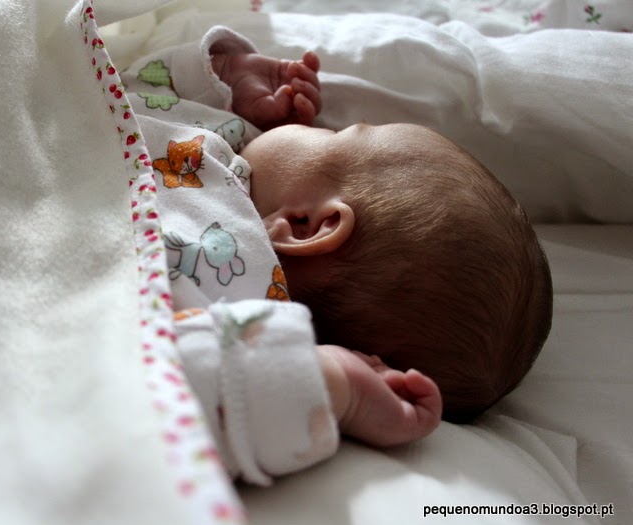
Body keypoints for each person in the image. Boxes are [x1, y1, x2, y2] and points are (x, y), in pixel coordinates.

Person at [118, 26, 552, 485]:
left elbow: (176, 386)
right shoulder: (232, 148)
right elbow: (129, 91)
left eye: (336, 135)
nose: (318, 124)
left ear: (305, 226)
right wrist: (226, 80)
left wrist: (336, 385)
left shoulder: (226, 274)